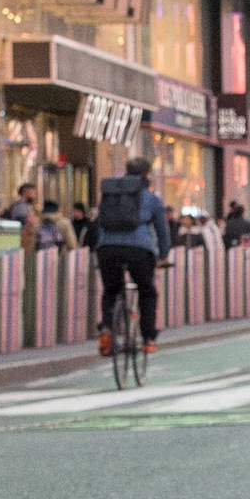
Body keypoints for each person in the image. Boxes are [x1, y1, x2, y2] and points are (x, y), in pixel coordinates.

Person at [92, 151, 172, 356]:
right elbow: (162, 230)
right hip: (139, 248)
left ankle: (107, 329)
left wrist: (100, 250)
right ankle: (148, 339)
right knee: (147, 291)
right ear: (146, 175)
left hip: (107, 248)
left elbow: (100, 224)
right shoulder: (151, 198)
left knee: (111, 291)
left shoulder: (109, 195)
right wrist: (163, 255)